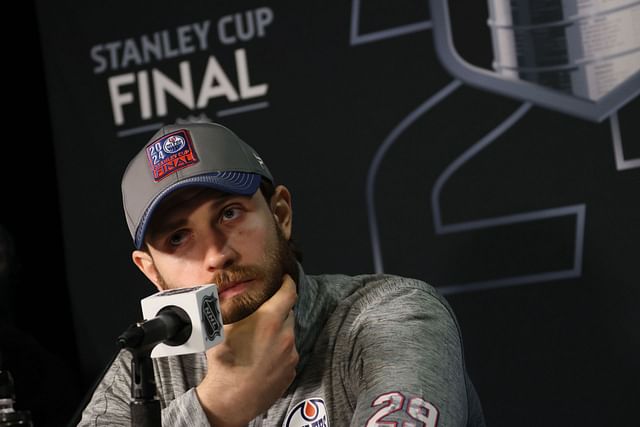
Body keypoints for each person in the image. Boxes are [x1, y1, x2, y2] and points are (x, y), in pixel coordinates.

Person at [78, 122, 486, 426]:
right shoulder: (146, 366)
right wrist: (215, 410)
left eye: (229, 213)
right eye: (179, 237)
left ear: (280, 215)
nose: (217, 254)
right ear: (151, 271)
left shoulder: (390, 316)